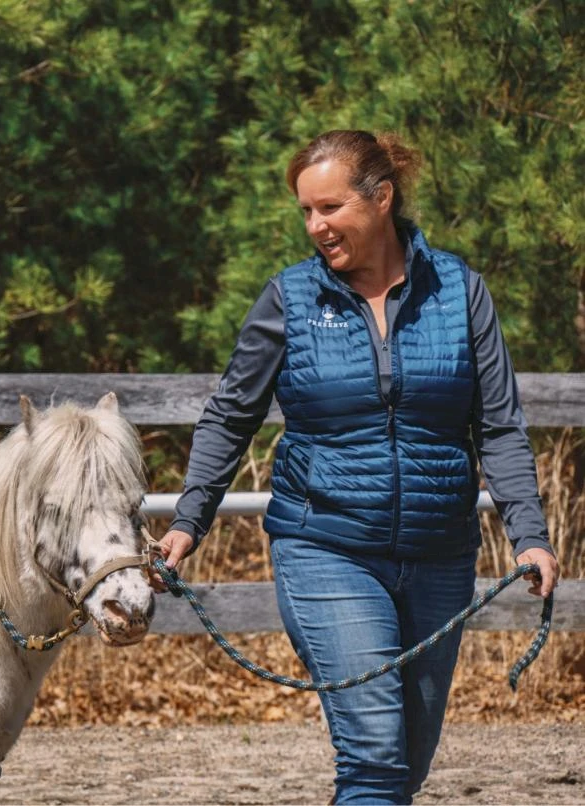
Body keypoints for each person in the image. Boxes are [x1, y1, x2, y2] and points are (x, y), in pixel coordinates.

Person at [157, 130, 559, 804]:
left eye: (331, 208)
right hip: (326, 548)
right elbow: (230, 415)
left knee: (407, 763)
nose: (317, 227)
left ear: (381, 199)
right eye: (307, 213)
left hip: (438, 556)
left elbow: (498, 426)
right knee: (373, 754)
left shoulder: (459, 292)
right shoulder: (290, 299)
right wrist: (188, 521)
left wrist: (531, 533)